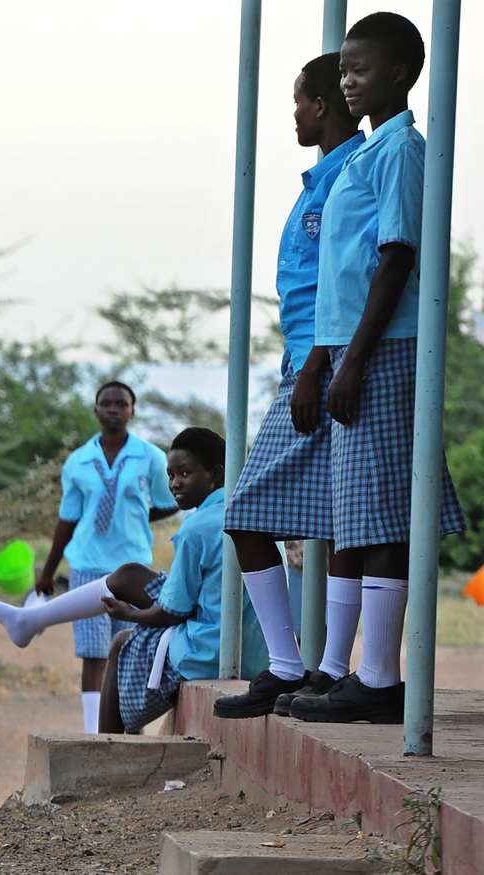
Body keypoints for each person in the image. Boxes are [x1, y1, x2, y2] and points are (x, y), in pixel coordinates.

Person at [286, 12, 464, 724]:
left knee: (384, 515)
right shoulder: (367, 153)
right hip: (353, 348)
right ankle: (347, 671)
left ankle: (381, 678)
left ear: (400, 73)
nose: (349, 81)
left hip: (383, 349)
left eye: (360, 70)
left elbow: (397, 257)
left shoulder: (401, 152)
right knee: (358, 515)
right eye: (345, 71)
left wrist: (353, 358)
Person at [213, 53, 368, 721]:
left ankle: (294, 664)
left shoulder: (346, 177)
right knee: (335, 523)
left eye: (299, 100)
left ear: (321, 105)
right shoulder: (323, 179)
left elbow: (346, 281)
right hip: (304, 362)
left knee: (247, 511)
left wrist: (314, 366)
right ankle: (321, 667)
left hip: (319, 364)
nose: (295, 112)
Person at [0, 428, 268, 733]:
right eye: (170, 475)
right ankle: (29, 620)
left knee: (120, 643)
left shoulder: (196, 528)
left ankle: (108, 748)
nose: (174, 484)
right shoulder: (252, 513)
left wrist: (131, 614)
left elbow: (173, 612)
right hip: (255, 650)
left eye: (185, 473)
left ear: (216, 473)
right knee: (129, 576)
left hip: (214, 652)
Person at [32, 382, 177, 734]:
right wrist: (49, 571)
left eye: (121, 404)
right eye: (106, 404)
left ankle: (128, 728)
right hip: (87, 565)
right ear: (96, 411)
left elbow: (168, 500)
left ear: (132, 410)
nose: (113, 409)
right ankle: (93, 732)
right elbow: (68, 518)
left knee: (128, 649)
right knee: (94, 653)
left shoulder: (151, 457)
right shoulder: (79, 461)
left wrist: (137, 515)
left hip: (133, 568)